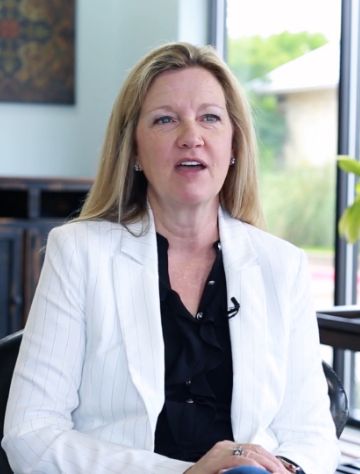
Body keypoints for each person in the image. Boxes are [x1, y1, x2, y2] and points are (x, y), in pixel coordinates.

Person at [2, 42, 339, 474]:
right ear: (135, 151)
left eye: (210, 118)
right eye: (165, 120)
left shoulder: (282, 265)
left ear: (234, 143)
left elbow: (312, 434)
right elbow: (30, 434)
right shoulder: (79, 253)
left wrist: (278, 469)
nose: (191, 137)